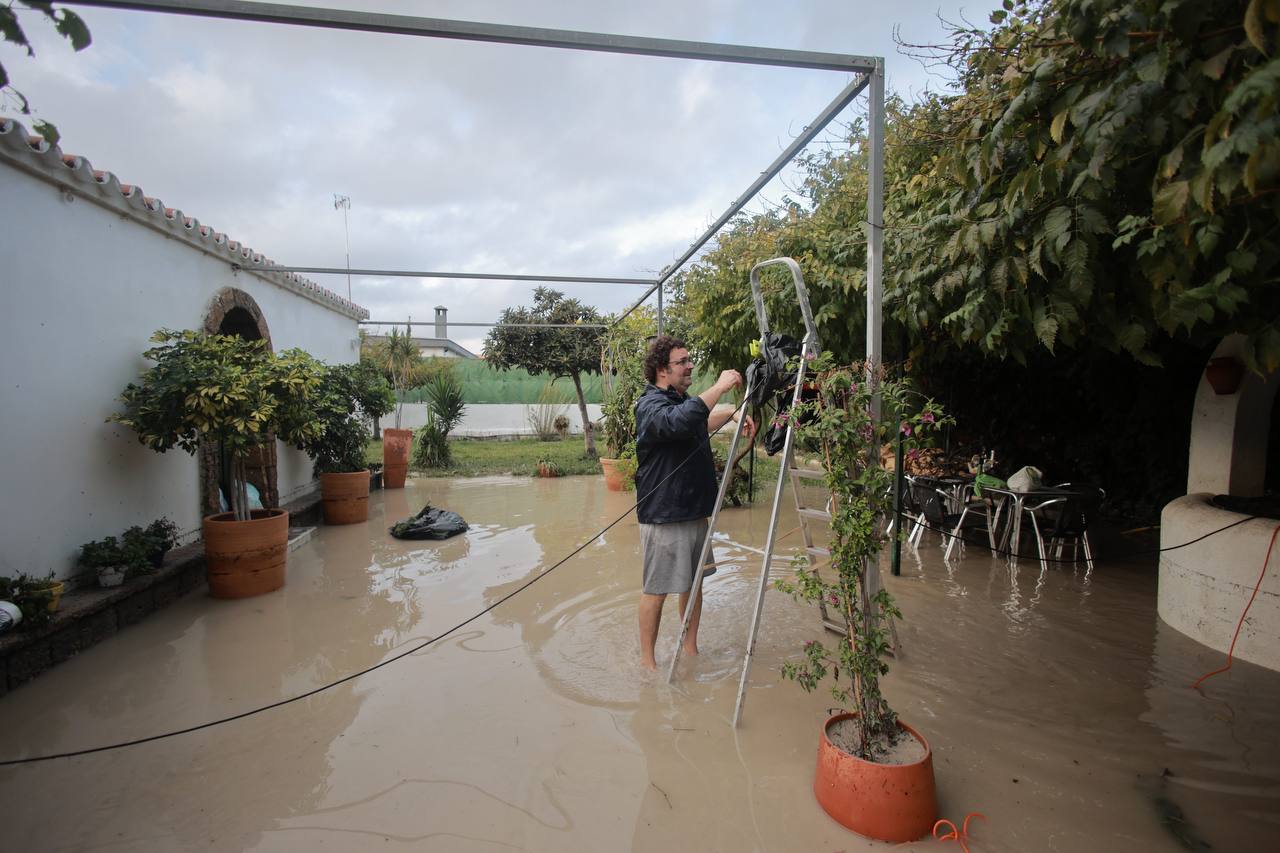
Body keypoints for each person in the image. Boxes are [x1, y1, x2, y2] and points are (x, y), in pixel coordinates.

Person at [634, 335, 755, 671]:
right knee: (657, 590)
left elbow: (697, 421)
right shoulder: (650, 406)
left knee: (693, 582)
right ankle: (647, 664)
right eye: (682, 362)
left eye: (689, 360)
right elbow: (678, 421)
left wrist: (731, 413)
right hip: (664, 515)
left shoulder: (680, 401)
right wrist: (720, 388)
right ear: (662, 370)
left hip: (693, 510)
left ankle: (690, 648)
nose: (690, 366)